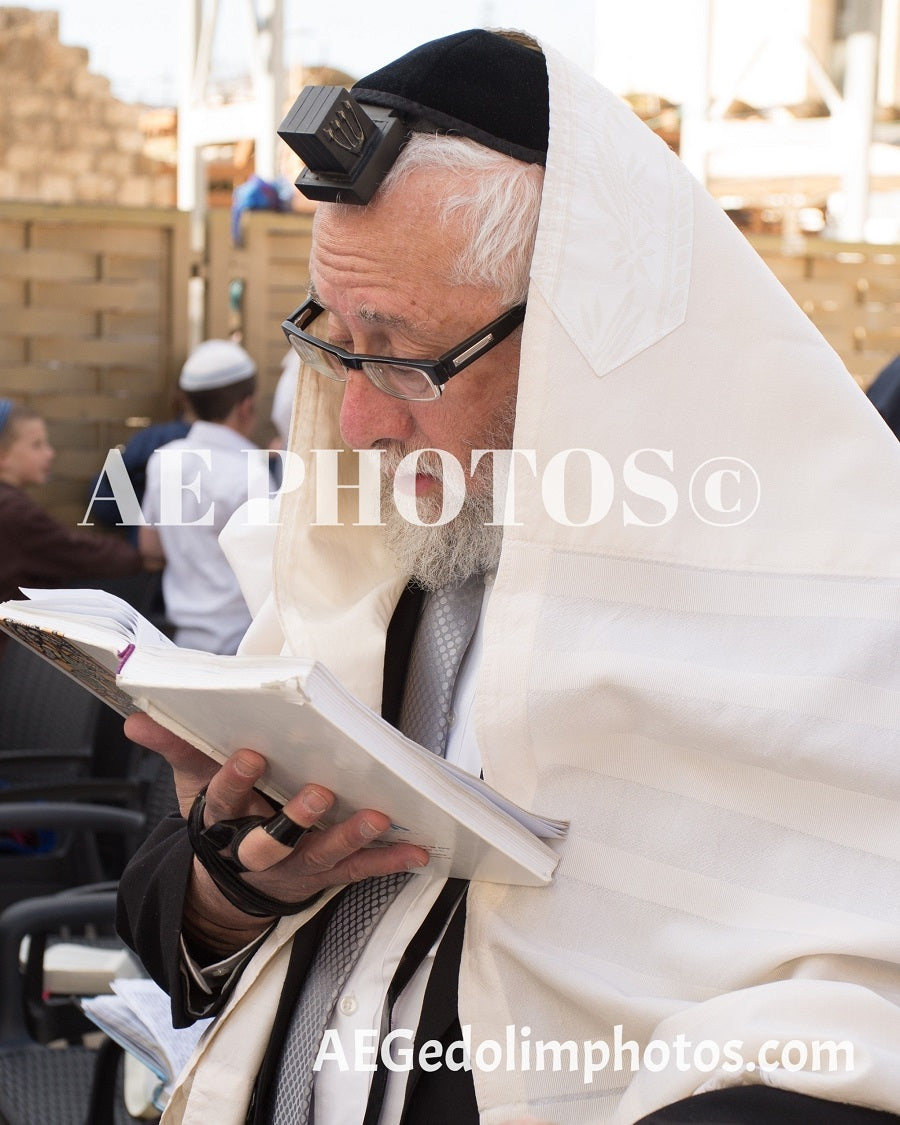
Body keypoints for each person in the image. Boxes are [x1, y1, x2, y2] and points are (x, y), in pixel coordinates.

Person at [116, 29, 900, 1125]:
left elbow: (863, 1020)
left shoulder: (834, 624)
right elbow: (168, 923)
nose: (360, 422)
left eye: (399, 352)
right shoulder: (361, 563)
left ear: (586, 332)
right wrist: (232, 884)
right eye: (335, 342)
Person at [138, 340, 273, 655]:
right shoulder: (251, 471)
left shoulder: (164, 460)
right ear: (246, 406)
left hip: (180, 642)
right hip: (241, 644)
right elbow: (272, 569)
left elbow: (150, 547)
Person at [0, 399, 143, 656]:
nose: (50, 453)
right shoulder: (13, 513)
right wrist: (139, 556)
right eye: (37, 445)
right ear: (3, 455)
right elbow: (75, 552)